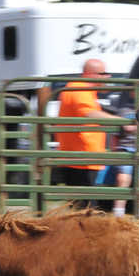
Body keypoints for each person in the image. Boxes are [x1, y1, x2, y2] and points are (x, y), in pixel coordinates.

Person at [53, 58, 124, 208]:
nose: (108, 77)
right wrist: (122, 121)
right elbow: (89, 113)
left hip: (81, 158)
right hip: (80, 159)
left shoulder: (84, 90)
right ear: (90, 74)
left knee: (83, 207)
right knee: (87, 209)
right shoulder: (79, 88)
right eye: (104, 73)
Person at [111, 89, 139, 220]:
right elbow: (128, 127)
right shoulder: (126, 110)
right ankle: (118, 214)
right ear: (133, 94)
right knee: (123, 179)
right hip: (126, 148)